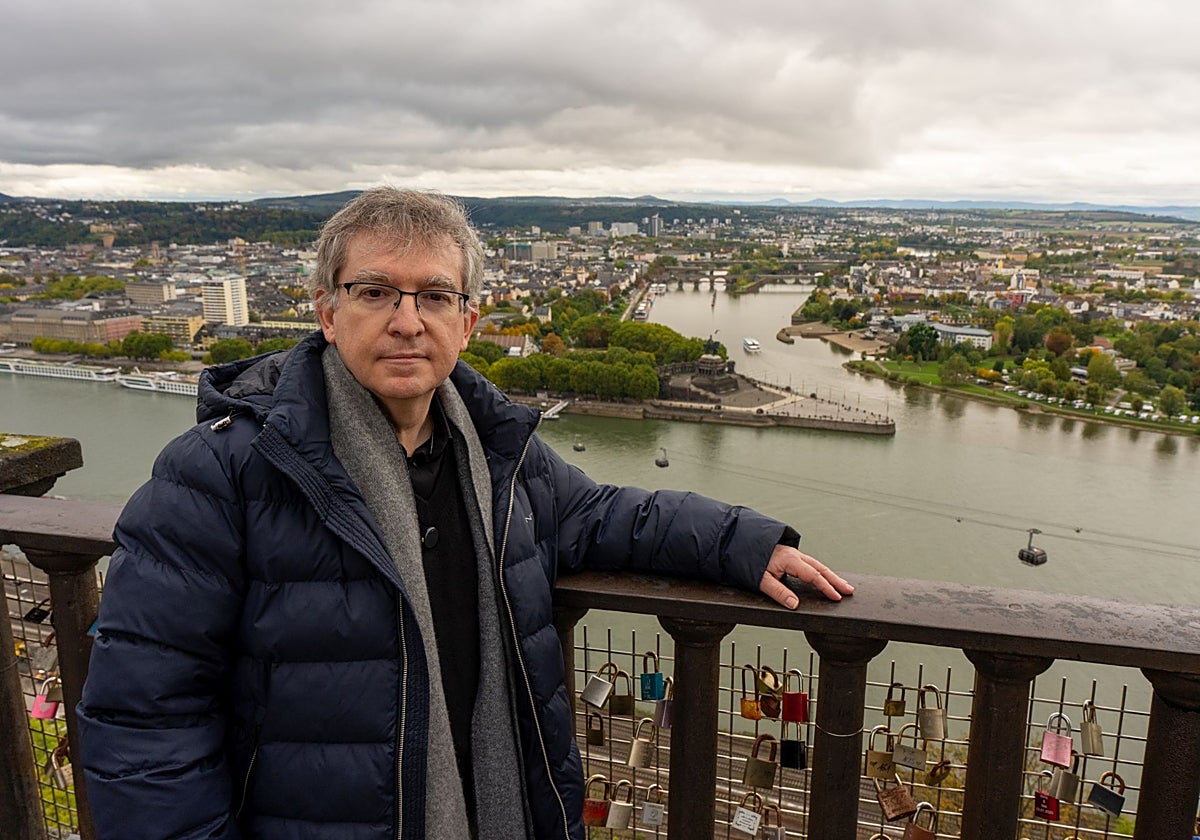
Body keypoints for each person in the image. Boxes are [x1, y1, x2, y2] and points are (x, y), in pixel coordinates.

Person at [77, 187, 853, 840]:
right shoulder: (220, 471)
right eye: (375, 292)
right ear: (326, 311)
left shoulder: (497, 450)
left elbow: (606, 514)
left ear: (468, 322)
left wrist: (744, 543)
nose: (407, 320)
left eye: (435, 296)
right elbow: (143, 718)